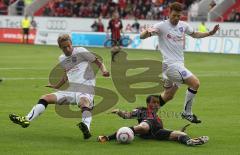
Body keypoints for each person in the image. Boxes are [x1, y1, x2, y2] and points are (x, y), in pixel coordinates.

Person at [9, 34, 110, 139]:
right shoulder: (62, 58)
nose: (67, 49)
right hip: (71, 91)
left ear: (71, 44)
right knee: (45, 98)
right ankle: (27, 119)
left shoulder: (80, 51)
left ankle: (86, 128)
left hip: (86, 88)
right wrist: (57, 85)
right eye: (64, 47)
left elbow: (97, 61)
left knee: (83, 102)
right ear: (60, 48)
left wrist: (104, 70)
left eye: (69, 46)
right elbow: (67, 75)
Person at [140, 2, 219, 123]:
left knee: (168, 95)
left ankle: (146, 115)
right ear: (169, 13)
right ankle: (187, 113)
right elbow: (142, 37)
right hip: (170, 66)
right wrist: (146, 32)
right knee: (195, 83)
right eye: (174, 15)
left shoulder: (183, 25)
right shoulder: (161, 26)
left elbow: (195, 34)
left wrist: (210, 33)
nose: (176, 18)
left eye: (179, 16)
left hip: (178, 65)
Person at [98, 95, 209, 146]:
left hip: (157, 133)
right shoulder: (142, 110)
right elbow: (127, 115)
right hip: (146, 127)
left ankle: (190, 141)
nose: (156, 105)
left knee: (180, 134)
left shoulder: (158, 118)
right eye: (154, 102)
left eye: (158, 103)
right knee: (144, 126)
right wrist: (119, 112)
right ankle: (108, 137)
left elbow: (162, 129)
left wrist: (177, 130)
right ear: (148, 104)